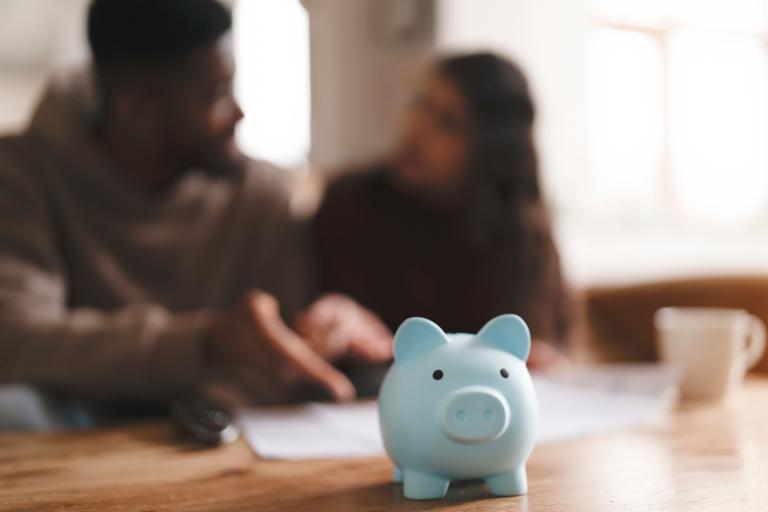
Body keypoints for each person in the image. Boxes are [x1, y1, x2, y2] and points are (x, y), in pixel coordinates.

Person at [0, 0, 392, 426]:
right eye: (217, 95)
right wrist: (208, 341)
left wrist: (203, 409)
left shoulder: (261, 193)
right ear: (138, 113)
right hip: (73, 411)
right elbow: (16, 340)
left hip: (209, 413)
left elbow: (280, 354)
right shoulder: (22, 174)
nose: (239, 112)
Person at [312, 53, 572, 367]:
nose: (417, 128)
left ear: (491, 150)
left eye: (448, 123)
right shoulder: (349, 205)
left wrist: (541, 361)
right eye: (421, 103)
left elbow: (549, 349)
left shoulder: (520, 233)